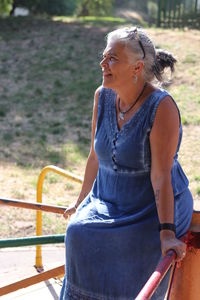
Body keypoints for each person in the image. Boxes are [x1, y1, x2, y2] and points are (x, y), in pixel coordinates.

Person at [60, 27, 193, 300]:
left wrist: (166, 234)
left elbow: (161, 176)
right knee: (77, 232)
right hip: (107, 197)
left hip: (151, 205)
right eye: (104, 56)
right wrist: (81, 200)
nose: (103, 63)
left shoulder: (162, 106)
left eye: (112, 58)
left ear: (137, 66)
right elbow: (95, 156)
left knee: (132, 244)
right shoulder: (103, 96)